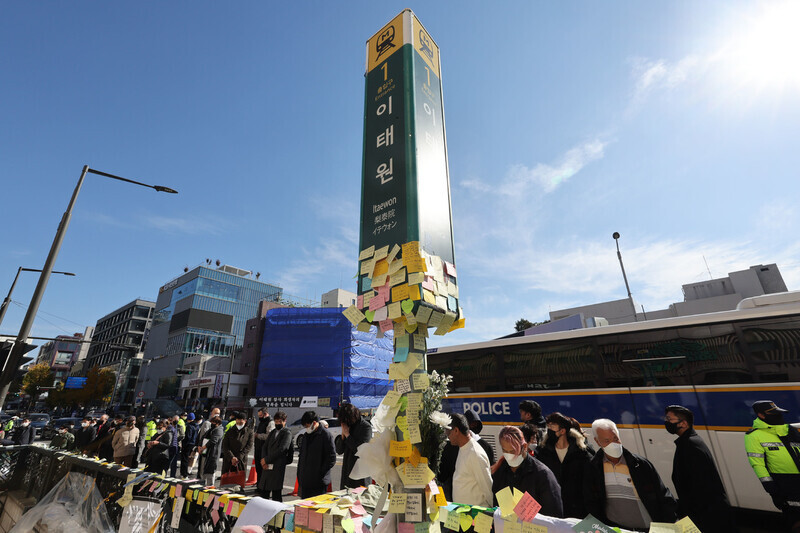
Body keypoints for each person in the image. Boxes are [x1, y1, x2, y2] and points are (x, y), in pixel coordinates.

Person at [583, 418, 676, 530]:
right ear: (597, 441)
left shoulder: (640, 464)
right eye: (607, 441)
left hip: (649, 529)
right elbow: (591, 503)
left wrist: (667, 526)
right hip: (618, 530)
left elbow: (664, 496)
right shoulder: (593, 469)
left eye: (615, 438)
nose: (613, 444)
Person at [663, 405, 733, 533]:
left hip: (706, 515)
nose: (666, 422)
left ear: (683, 423)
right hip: (704, 513)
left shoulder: (691, 445)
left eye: (669, 419)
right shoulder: (689, 442)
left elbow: (701, 486)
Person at [745, 400, 800, 531]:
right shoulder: (754, 436)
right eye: (773, 414)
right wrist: (773, 490)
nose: (778, 416)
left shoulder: (790, 430)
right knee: (796, 520)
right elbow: (758, 465)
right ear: (761, 415)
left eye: (778, 413)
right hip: (786, 484)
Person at [492, 425, 563, 517]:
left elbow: (554, 514)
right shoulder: (500, 472)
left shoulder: (542, 474)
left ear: (524, 447)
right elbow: (496, 507)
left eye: (513, 451)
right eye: (505, 451)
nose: (509, 455)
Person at [537, 412, 593, 519]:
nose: (549, 431)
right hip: (554, 510)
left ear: (562, 431)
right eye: (548, 427)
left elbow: (589, 483)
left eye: (552, 427)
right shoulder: (543, 453)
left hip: (578, 510)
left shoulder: (581, 452)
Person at [448, 413, 493, 507]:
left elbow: (487, 488)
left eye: (448, 432)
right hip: (463, 515)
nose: (447, 436)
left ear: (456, 430)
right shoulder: (463, 447)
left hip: (476, 516)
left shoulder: (475, 454)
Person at [297, 410, 336, 498]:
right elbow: (302, 456)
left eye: (307, 426)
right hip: (305, 481)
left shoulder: (326, 435)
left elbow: (331, 458)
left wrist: (319, 473)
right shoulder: (306, 435)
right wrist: (300, 475)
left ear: (314, 423)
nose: (306, 428)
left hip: (318, 483)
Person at [335, 403, 372, 489]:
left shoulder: (365, 427)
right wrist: (343, 436)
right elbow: (339, 450)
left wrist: (348, 435)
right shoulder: (348, 426)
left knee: (359, 500)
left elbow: (361, 450)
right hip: (347, 472)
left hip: (361, 474)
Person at [259, 411, 292, 501]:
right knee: (264, 491)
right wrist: (263, 460)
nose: (278, 424)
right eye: (276, 422)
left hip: (277, 465)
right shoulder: (273, 432)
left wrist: (266, 459)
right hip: (267, 465)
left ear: (284, 421)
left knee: (276, 493)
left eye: (280, 422)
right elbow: (264, 446)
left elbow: (282, 449)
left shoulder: (287, 433)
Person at [221, 412, 255, 477]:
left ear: (245, 421)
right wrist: (231, 457)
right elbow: (225, 445)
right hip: (228, 460)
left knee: (239, 481)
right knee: (227, 481)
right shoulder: (230, 431)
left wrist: (238, 458)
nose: (239, 425)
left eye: (241, 423)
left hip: (241, 460)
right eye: (237, 423)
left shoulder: (249, 432)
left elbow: (249, 446)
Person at [199, 416, 224, 486]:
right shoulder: (212, 429)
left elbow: (213, 441)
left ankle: (210, 486)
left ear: (218, 423)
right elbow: (203, 436)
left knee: (210, 471)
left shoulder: (219, 430)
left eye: (213, 423)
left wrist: (203, 447)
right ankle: (203, 484)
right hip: (206, 453)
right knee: (204, 470)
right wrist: (199, 446)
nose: (212, 424)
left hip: (213, 453)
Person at [253, 408, 275, 488]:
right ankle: (259, 486)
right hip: (258, 448)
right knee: (258, 469)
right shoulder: (262, 422)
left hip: (264, 450)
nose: (259, 417)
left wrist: (258, 435)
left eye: (261, 415)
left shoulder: (270, 422)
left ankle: (263, 488)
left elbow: (269, 436)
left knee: (263, 470)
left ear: (265, 414)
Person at [197, 407, 220, 475]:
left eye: (218, 414)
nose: (216, 415)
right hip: (204, 448)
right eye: (215, 413)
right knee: (202, 467)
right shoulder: (208, 423)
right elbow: (203, 436)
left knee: (204, 468)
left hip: (207, 449)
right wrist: (200, 446)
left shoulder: (216, 426)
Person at [180, 413, 199, 477]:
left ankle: (184, 473)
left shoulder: (189, 426)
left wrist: (183, 443)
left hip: (187, 444)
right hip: (193, 444)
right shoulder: (197, 426)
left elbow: (188, 436)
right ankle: (186, 472)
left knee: (184, 459)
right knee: (189, 459)